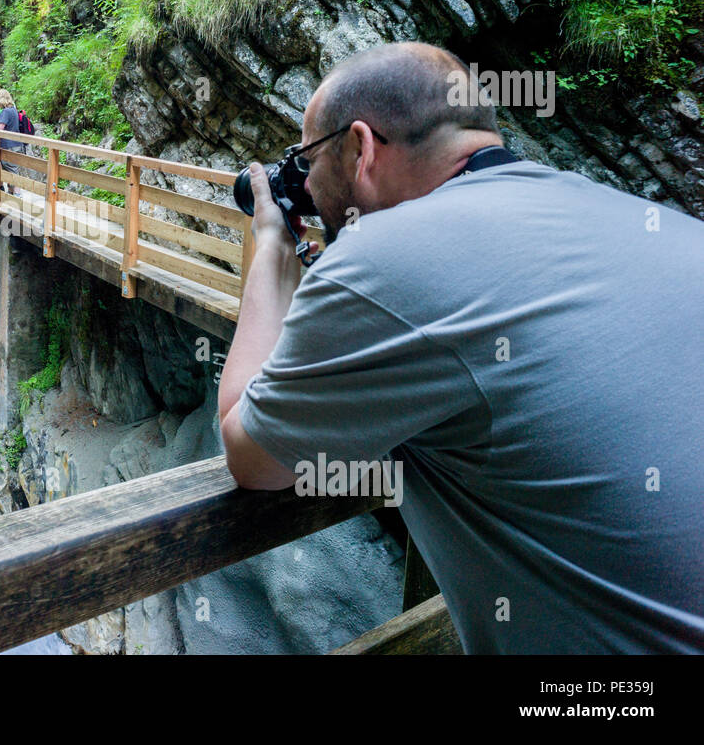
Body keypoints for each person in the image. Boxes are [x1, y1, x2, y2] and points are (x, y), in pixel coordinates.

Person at [217, 40, 704, 653]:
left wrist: (271, 249)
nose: (307, 187)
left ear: (361, 147)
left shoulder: (381, 258)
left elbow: (250, 454)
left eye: (307, 159)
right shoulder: (636, 215)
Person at [0, 89, 24, 194]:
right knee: (11, 168)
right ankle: (12, 193)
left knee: (11, 169)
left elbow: (0, 128)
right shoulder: (13, 110)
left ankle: (17, 193)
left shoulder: (6, 111)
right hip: (16, 144)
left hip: (8, 145)